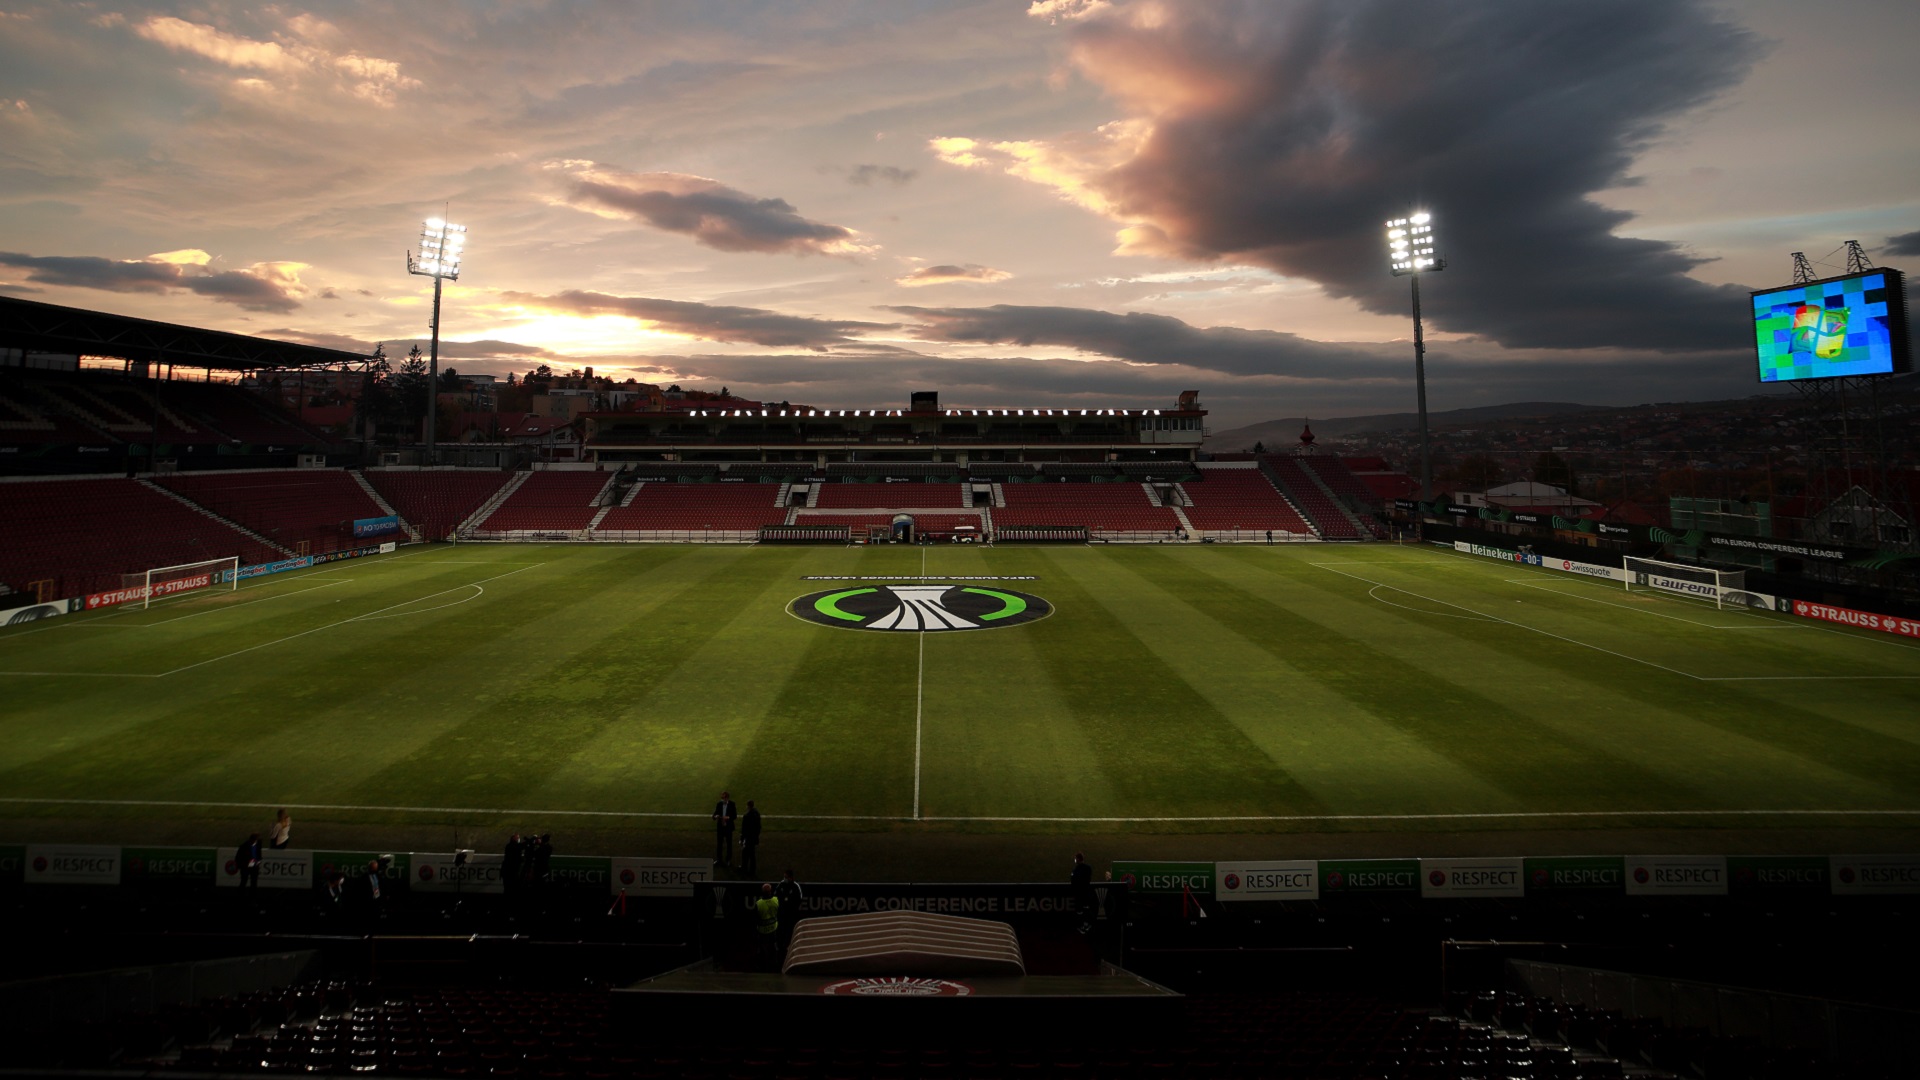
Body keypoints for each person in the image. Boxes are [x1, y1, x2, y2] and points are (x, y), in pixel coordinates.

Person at [774, 869, 804, 954]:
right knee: (780, 929)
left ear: (791, 878)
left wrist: (793, 909)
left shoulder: (796, 886)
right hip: (781, 913)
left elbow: (799, 899)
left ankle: (787, 946)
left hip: (791, 914)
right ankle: (778, 945)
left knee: (789, 930)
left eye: (786, 877)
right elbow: (775, 895)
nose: (784, 879)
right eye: (784, 877)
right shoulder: (781, 884)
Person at [753, 883, 781, 967]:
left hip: (762, 931)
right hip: (774, 929)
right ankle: (774, 964)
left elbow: (755, 919)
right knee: (774, 948)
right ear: (770, 891)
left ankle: (762, 964)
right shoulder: (776, 900)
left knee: (761, 949)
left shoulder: (758, 904)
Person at [1070, 852, 1095, 933]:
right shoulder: (1088, 868)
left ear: (1077, 859)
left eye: (1075, 858)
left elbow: (1073, 881)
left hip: (1079, 893)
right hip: (1087, 892)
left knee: (1080, 911)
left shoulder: (1076, 870)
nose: (1075, 860)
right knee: (1086, 909)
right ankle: (1087, 925)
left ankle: (1082, 926)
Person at [712, 791, 737, 867]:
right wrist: (715, 816)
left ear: (727, 797)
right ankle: (719, 860)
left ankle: (728, 860)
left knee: (729, 844)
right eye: (722, 798)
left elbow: (734, 816)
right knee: (719, 844)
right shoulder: (719, 804)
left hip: (728, 827)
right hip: (720, 828)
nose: (723, 799)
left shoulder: (732, 804)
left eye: (724, 798)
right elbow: (714, 814)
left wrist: (728, 817)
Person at [739, 800, 762, 877]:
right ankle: (752, 870)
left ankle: (744, 868)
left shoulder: (746, 816)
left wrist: (741, 839)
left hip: (748, 838)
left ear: (748, 806)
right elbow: (759, 827)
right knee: (752, 854)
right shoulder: (757, 813)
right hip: (754, 838)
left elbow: (744, 829)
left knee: (745, 854)